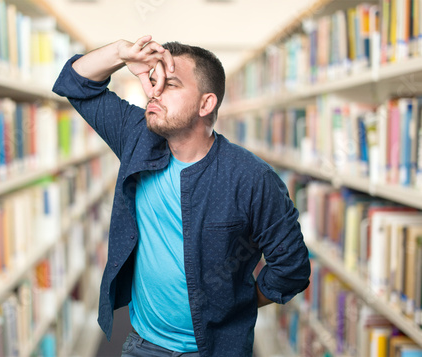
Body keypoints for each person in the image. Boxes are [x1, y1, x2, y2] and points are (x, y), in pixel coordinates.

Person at [52, 35, 311, 357]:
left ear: (206, 103)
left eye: (170, 85)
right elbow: (75, 83)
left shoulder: (252, 177)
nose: (154, 93)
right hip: (142, 343)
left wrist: (238, 302)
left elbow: (291, 268)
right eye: (153, 82)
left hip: (216, 349)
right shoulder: (137, 138)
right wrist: (121, 52)